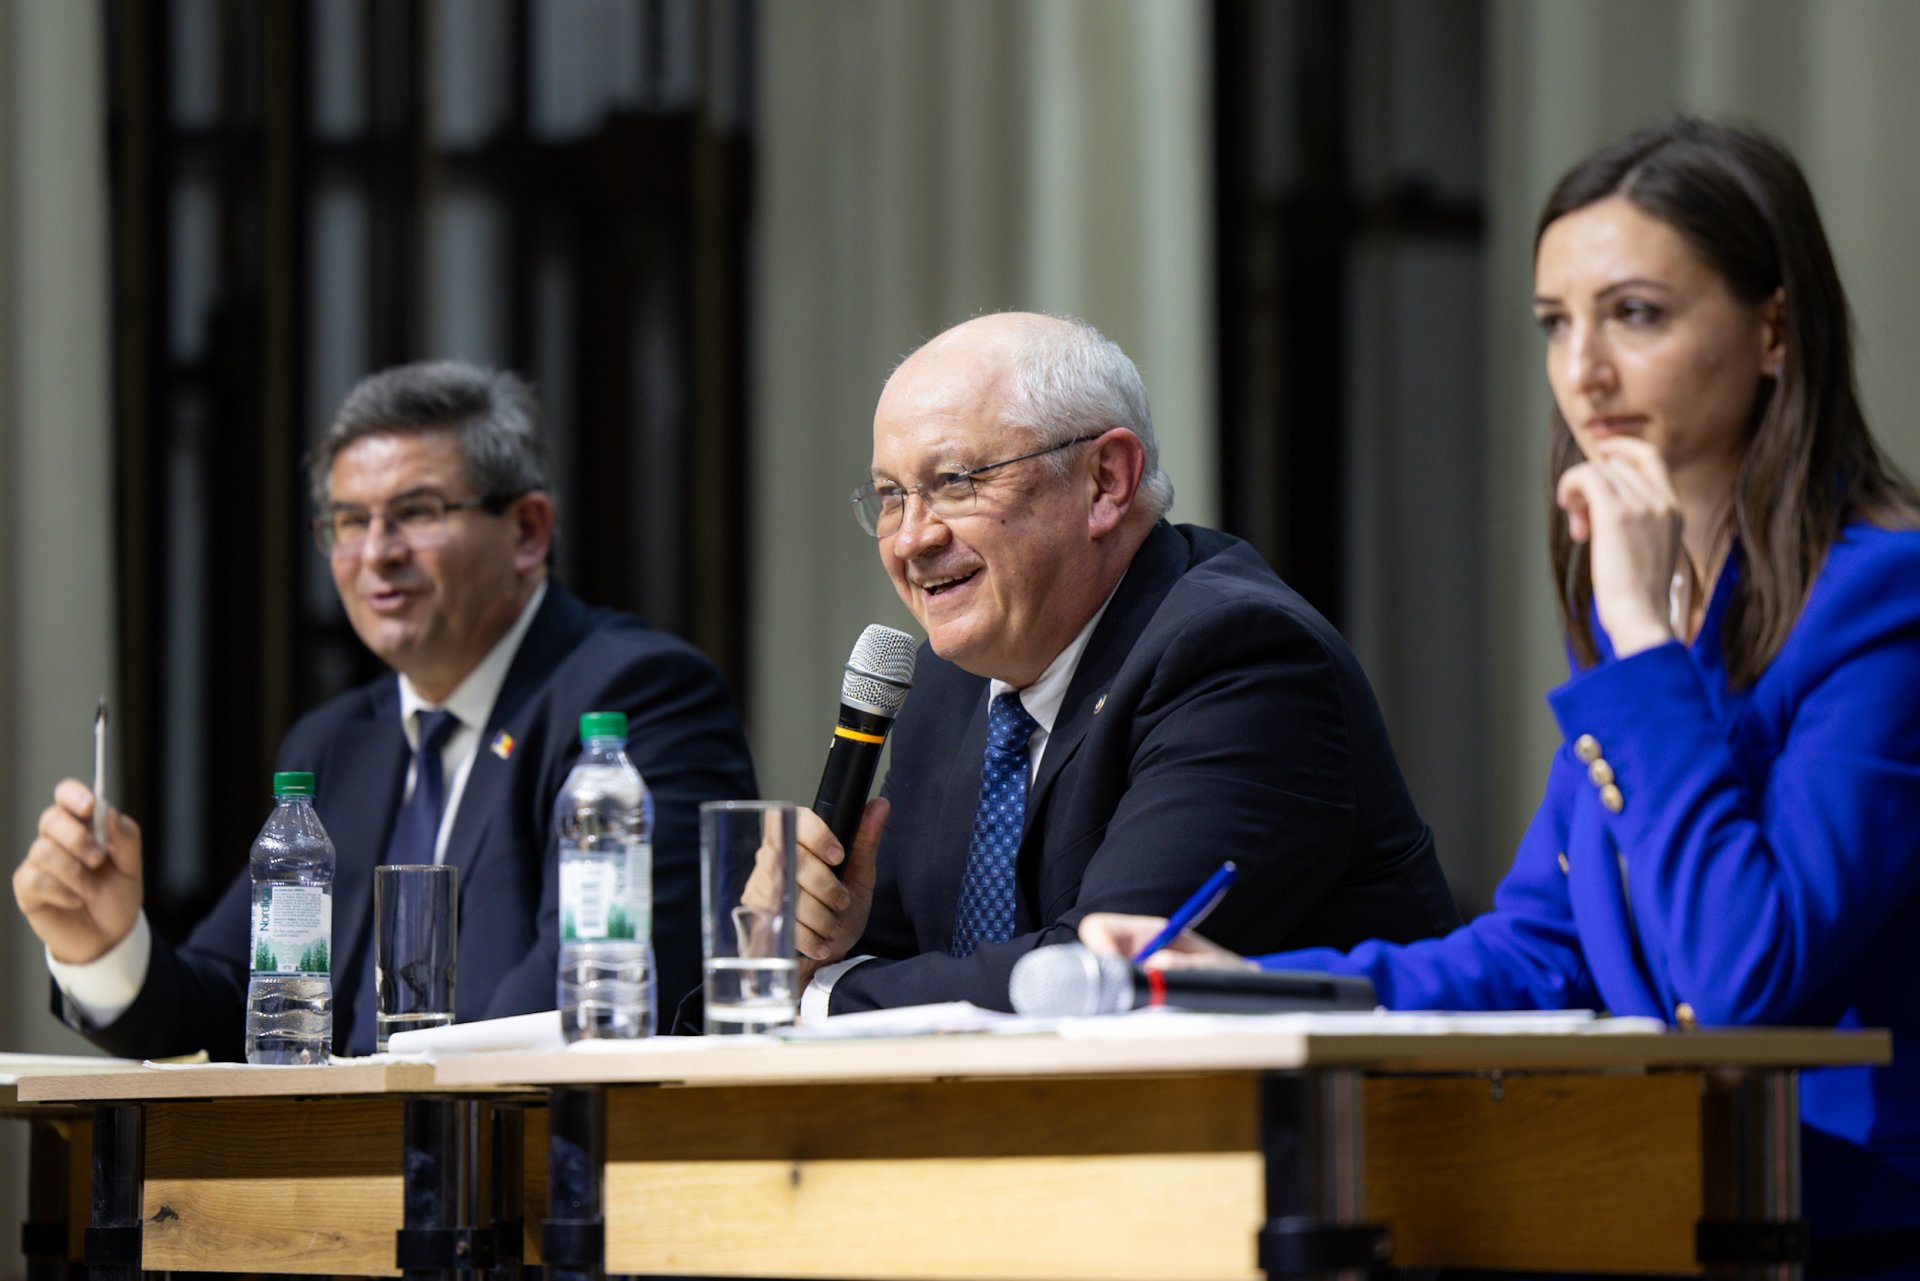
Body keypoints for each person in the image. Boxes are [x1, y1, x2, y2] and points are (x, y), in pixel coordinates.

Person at [1080, 119, 1920, 1270]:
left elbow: (1745, 982)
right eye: (1555, 323)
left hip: (1853, 1228)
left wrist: (1640, 644)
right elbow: (1539, 950)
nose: (1585, 371)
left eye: (1636, 314)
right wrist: (1245, 984)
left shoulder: (1882, 602)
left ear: (1774, 328)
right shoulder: (1648, 602)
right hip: (1657, 1201)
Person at [12, 360, 758, 1058]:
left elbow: (588, 997)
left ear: (528, 531)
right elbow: (244, 1004)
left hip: (522, 1148)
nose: (375, 553)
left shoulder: (638, 698)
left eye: (417, 513)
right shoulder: (336, 744)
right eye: (348, 521)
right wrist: (103, 945)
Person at [788, 311, 1460, 1017]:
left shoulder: (1242, 657)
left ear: (1105, 481)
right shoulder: (946, 685)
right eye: (891, 497)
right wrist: (810, 939)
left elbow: (1092, 983)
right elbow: (895, 957)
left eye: (956, 481)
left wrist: (818, 994)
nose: (911, 540)